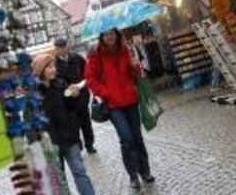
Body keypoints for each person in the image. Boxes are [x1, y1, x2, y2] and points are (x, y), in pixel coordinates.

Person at [85, 28, 154, 190]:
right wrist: (105, 93)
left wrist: (135, 66)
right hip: (113, 105)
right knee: (126, 139)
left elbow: (136, 75)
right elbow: (90, 78)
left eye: (112, 33)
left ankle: (145, 171)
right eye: (106, 34)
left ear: (117, 34)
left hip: (130, 100)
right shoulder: (96, 55)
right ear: (101, 36)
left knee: (137, 137)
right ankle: (132, 175)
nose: (110, 37)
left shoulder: (126, 50)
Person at [32, 53, 96, 195]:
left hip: (69, 137)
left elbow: (74, 108)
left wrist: (75, 96)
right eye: (49, 67)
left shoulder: (61, 84)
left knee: (80, 172)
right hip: (50, 144)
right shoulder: (33, 94)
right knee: (60, 182)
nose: (53, 69)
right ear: (41, 71)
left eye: (53, 66)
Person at [53, 37, 97, 154]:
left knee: (86, 123)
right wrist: (68, 88)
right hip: (68, 100)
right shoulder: (55, 63)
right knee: (73, 126)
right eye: (59, 47)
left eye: (64, 46)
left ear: (68, 46)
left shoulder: (78, 58)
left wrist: (81, 85)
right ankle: (78, 146)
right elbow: (56, 80)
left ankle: (89, 144)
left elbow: (87, 74)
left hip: (82, 96)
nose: (62, 49)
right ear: (56, 49)